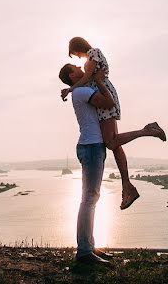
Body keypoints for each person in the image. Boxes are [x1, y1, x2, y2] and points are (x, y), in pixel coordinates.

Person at [60, 36, 167, 211]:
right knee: (115, 145)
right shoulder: (91, 57)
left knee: (111, 142)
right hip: (103, 94)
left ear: (78, 48)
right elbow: (89, 78)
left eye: (76, 55)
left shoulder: (93, 53)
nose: (79, 59)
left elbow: (88, 77)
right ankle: (127, 187)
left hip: (105, 95)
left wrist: (71, 88)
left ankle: (148, 130)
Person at [57, 63, 113, 266]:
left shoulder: (79, 89)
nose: (82, 67)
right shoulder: (81, 91)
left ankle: (89, 246)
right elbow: (108, 103)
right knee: (89, 199)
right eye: (76, 67)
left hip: (92, 145)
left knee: (91, 198)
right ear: (72, 75)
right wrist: (99, 81)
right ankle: (84, 252)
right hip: (91, 146)